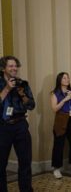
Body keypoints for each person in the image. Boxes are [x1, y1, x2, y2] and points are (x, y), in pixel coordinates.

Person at [0, 56, 35, 192]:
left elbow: (31, 105)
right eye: (10, 66)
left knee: (25, 163)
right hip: (3, 127)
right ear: (3, 68)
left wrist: (22, 94)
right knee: (1, 164)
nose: (14, 68)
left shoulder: (23, 84)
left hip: (20, 125)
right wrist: (7, 89)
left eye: (15, 66)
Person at [50, 72, 71, 179]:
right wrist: (65, 99)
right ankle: (56, 168)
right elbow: (54, 109)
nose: (67, 79)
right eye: (64, 78)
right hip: (61, 120)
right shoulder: (54, 93)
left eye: (68, 77)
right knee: (59, 145)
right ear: (59, 80)